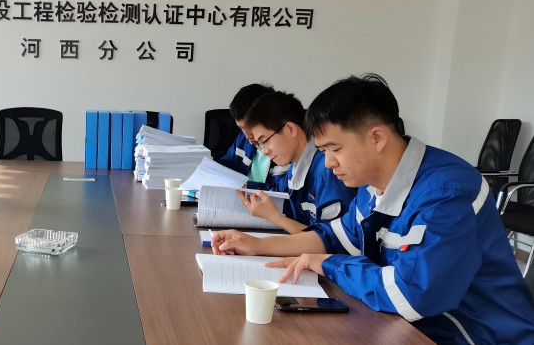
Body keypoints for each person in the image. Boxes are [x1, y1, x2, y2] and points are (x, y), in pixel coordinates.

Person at [212, 74, 534, 343]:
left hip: (477, 334)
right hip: (410, 326)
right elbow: (333, 238)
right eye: (322, 151)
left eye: (334, 149)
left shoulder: (445, 194)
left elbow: (410, 295)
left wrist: (330, 265)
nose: (328, 163)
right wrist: (256, 245)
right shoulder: (372, 186)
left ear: (376, 137)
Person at [236, 90, 356, 234]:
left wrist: (275, 217)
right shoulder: (296, 165)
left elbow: (328, 240)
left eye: (265, 141)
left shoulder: (329, 172)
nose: (264, 151)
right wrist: (247, 187)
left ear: (290, 129)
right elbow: (280, 192)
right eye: (260, 145)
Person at [217, 83, 289, 187]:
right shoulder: (243, 139)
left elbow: (284, 191)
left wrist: (248, 187)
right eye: (241, 128)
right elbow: (227, 164)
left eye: (250, 128)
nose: (248, 136)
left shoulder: (284, 148)